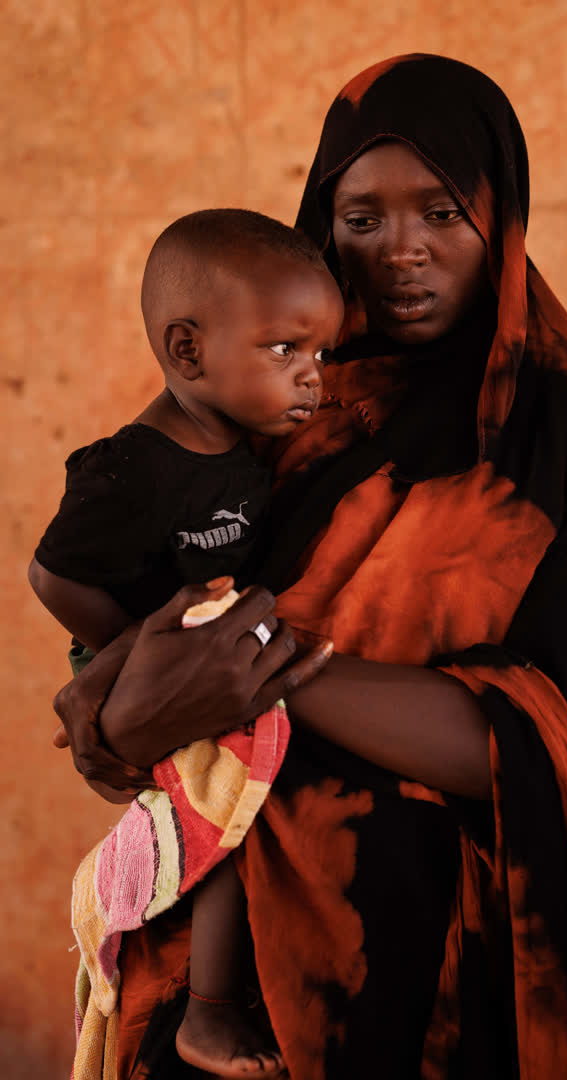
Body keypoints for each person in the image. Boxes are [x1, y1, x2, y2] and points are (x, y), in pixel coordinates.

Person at [53, 54, 567, 1080]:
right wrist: (115, 705)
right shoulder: (279, 401)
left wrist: (259, 664)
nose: (401, 253)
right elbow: (139, 665)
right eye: (362, 216)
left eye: (441, 212)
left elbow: (552, 752)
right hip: (206, 968)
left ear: (500, 218)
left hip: (425, 977)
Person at [29, 207, 344, 1078]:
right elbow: (52, 576)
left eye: (319, 356)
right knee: (237, 802)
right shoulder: (134, 470)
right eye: (286, 352)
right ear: (188, 352)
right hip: (143, 656)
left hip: (196, 651)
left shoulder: (242, 440)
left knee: (248, 793)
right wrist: (138, 656)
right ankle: (208, 1014)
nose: (312, 380)